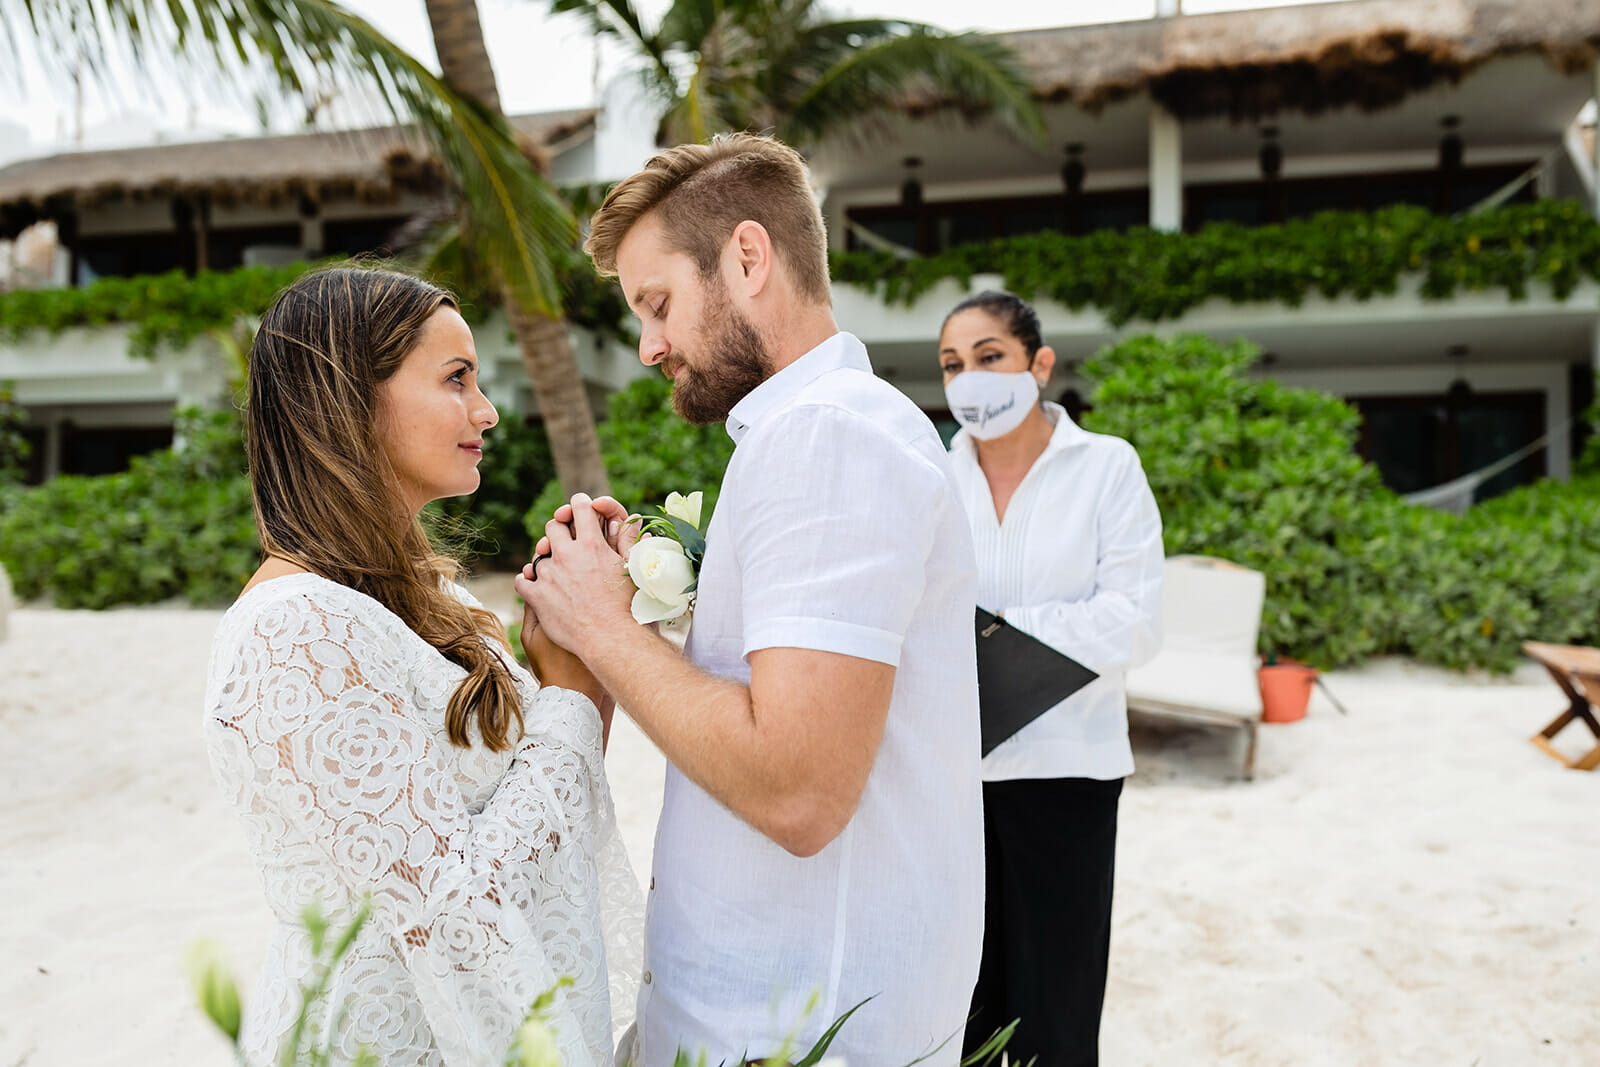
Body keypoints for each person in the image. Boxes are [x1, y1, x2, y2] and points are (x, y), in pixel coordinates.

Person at [515, 133, 985, 1067]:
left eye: (658, 304)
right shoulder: (822, 431)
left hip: (794, 1029)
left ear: (747, 256)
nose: (649, 346)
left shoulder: (826, 437)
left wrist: (602, 627)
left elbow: (798, 786)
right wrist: (657, 618)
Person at [202, 266, 640, 1067]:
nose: (487, 409)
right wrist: (567, 696)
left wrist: (581, 661)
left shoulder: (425, 601)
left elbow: (533, 828)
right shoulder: (297, 630)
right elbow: (451, 911)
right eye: (456, 378)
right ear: (350, 399)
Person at [938, 291, 1164, 1067]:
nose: (969, 379)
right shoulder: (932, 477)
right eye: (952, 364)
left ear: (1039, 364)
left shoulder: (1107, 467)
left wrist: (995, 631)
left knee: (1056, 1019)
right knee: (958, 1010)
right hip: (951, 778)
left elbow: (1136, 620)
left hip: (1070, 771)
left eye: (989, 357)